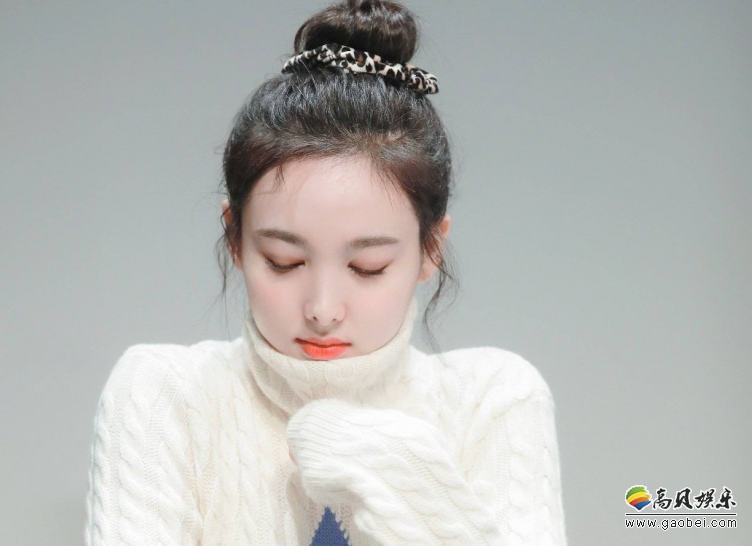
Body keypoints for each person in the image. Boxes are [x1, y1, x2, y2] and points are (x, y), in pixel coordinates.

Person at [84, 1, 567, 544]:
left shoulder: (494, 401)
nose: (322, 309)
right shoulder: (163, 396)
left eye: (367, 267)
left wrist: (396, 468)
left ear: (431, 248)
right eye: (283, 262)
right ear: (235, 238)